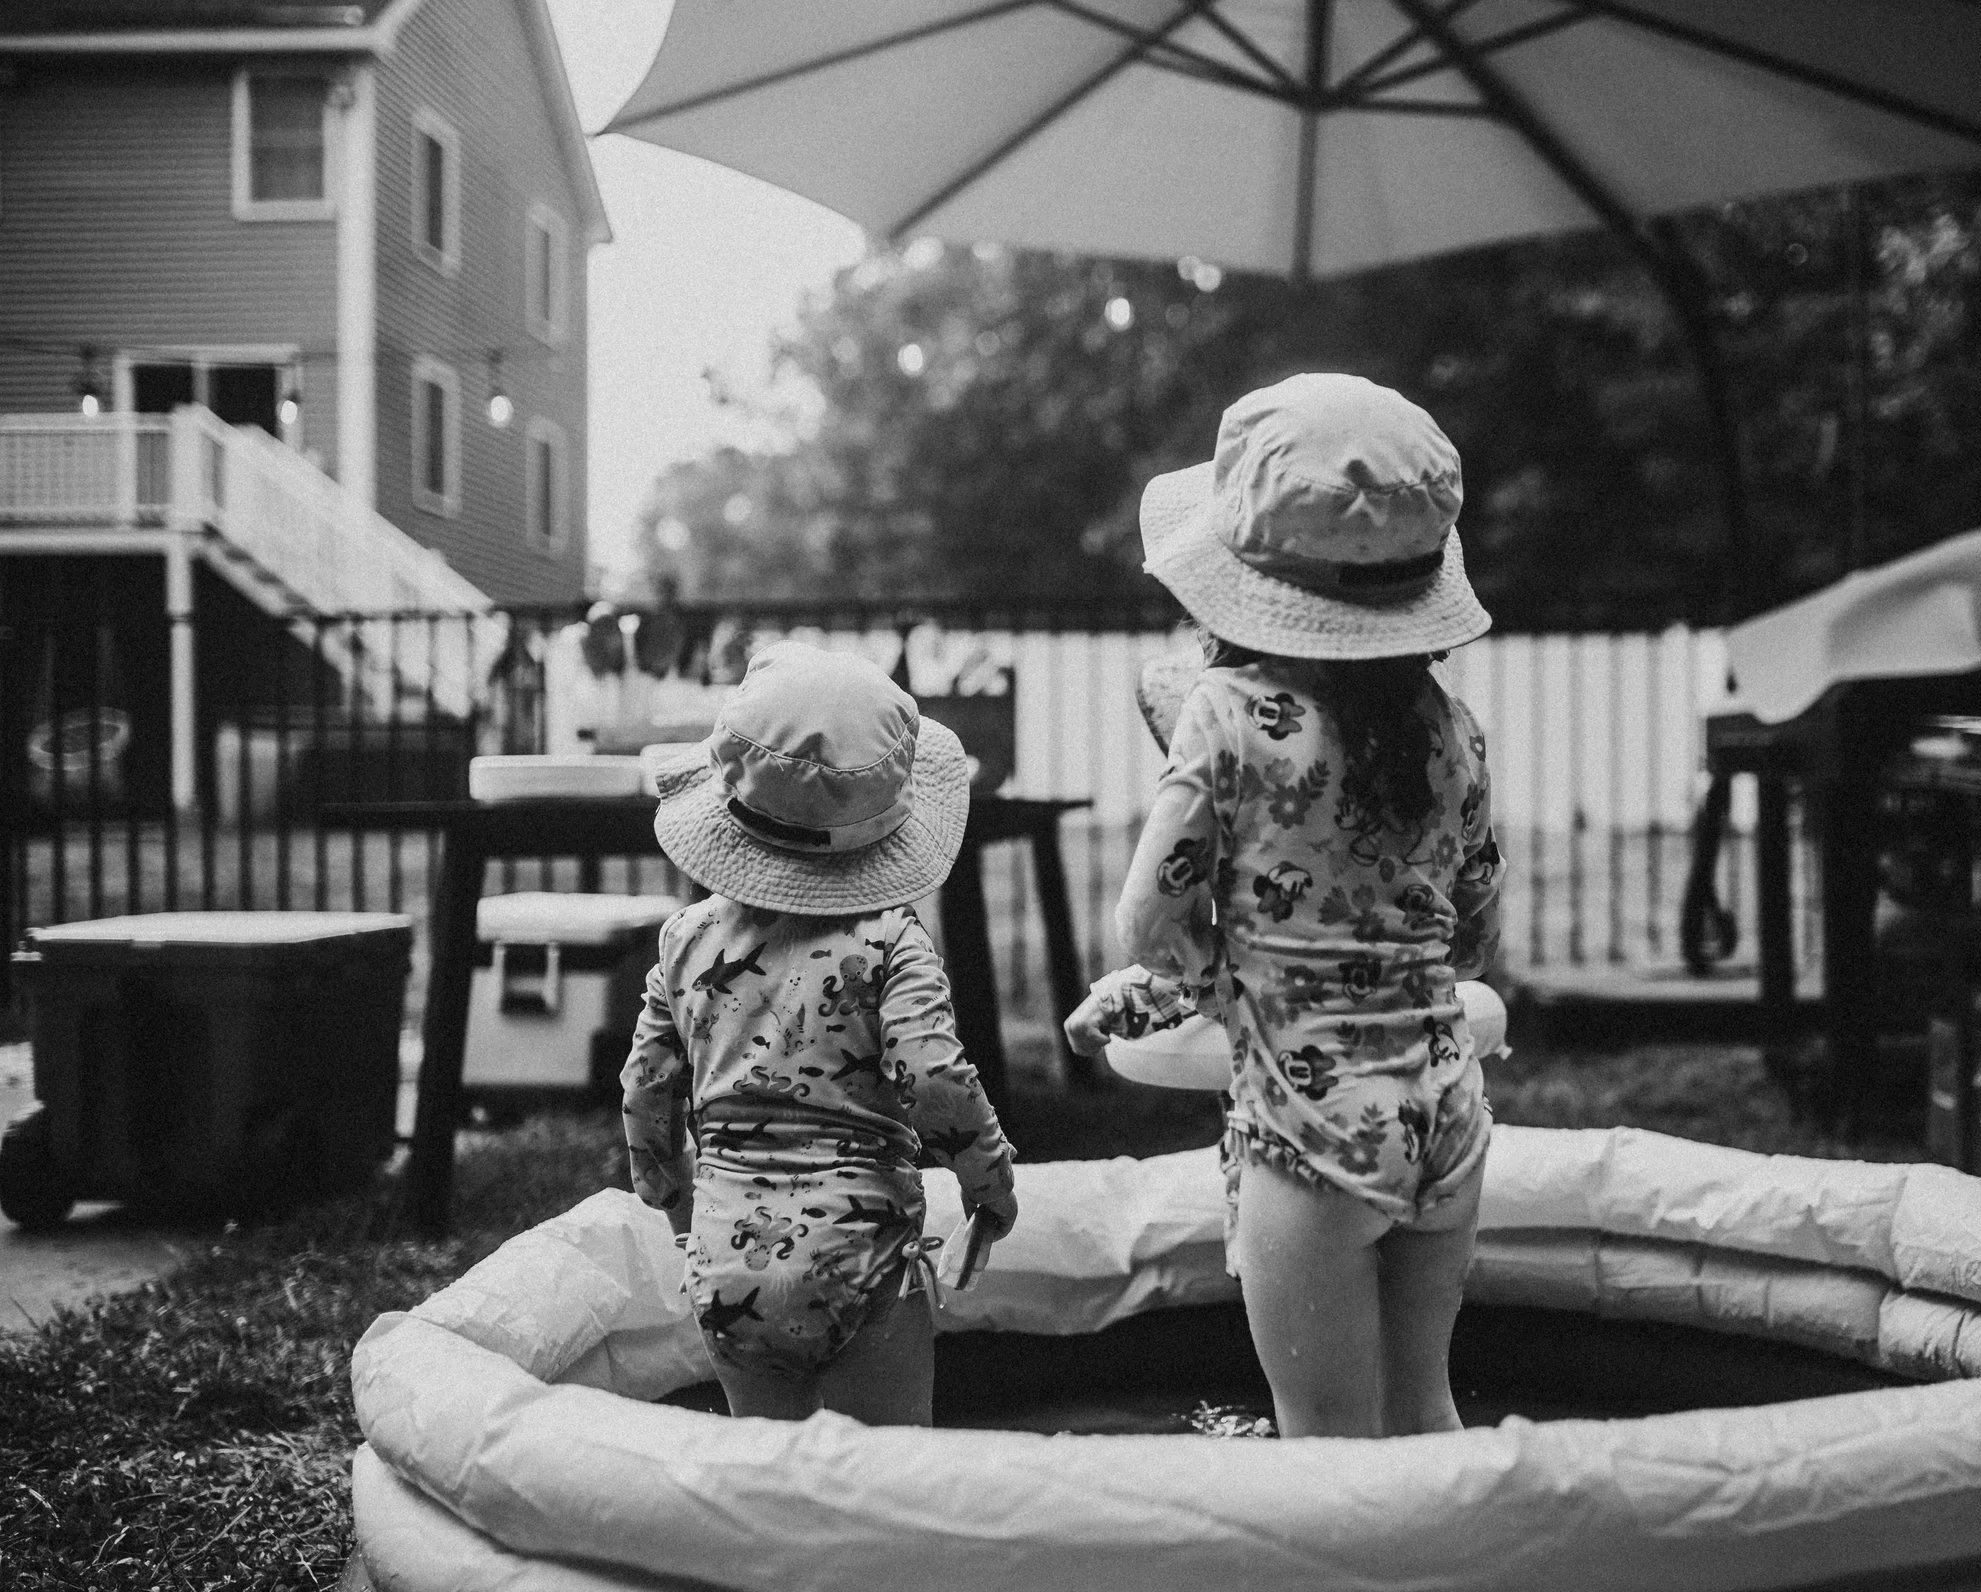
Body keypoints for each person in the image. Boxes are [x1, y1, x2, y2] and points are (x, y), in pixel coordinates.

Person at [1066, 372, 1504, 1438]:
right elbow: (1475, 933)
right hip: (1443, 1114)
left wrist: (1220, 984)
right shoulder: (1451, 730)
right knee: (1423, 1416)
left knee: (1325, 1454)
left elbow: (1148, 927)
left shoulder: (1221, 715)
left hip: (1311, 1138)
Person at [621, 641, 1017, 1422]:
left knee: (767, 1489)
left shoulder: (686, 940)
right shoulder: (889, 942)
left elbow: (645, 1089)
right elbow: (934, 1078)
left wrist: (672, 1199)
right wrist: (989, 1186)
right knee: (887, 1486)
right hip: (860, 1254)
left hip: (728, 1253)